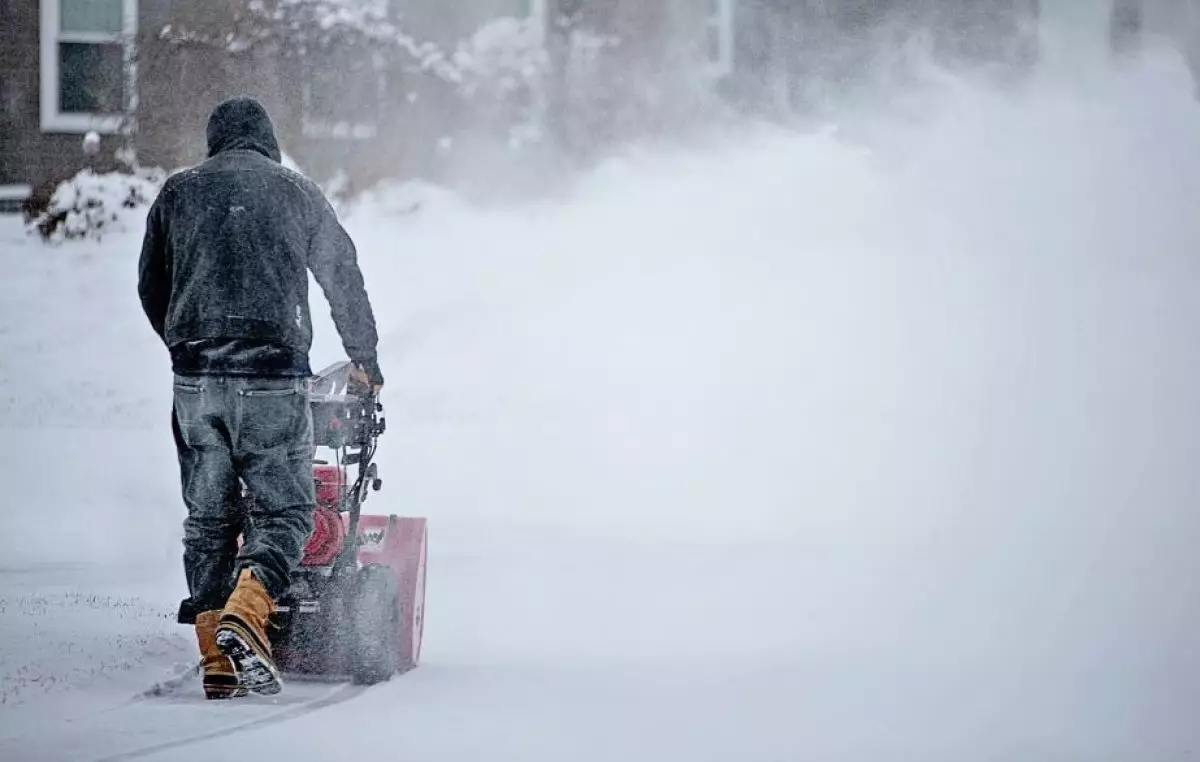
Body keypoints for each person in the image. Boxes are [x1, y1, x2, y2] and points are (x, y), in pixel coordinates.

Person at [137, 96, 384, 699]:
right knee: (285, 513)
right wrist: (365, 360)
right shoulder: (296, 191)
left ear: (214, 141)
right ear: (268, 143)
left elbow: (151, 283)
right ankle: (246, 615)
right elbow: (341, 273)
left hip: (196, 378)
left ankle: (215, 659)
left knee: (210, 519)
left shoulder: (177, 192)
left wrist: (184, 342)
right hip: (273, 375)